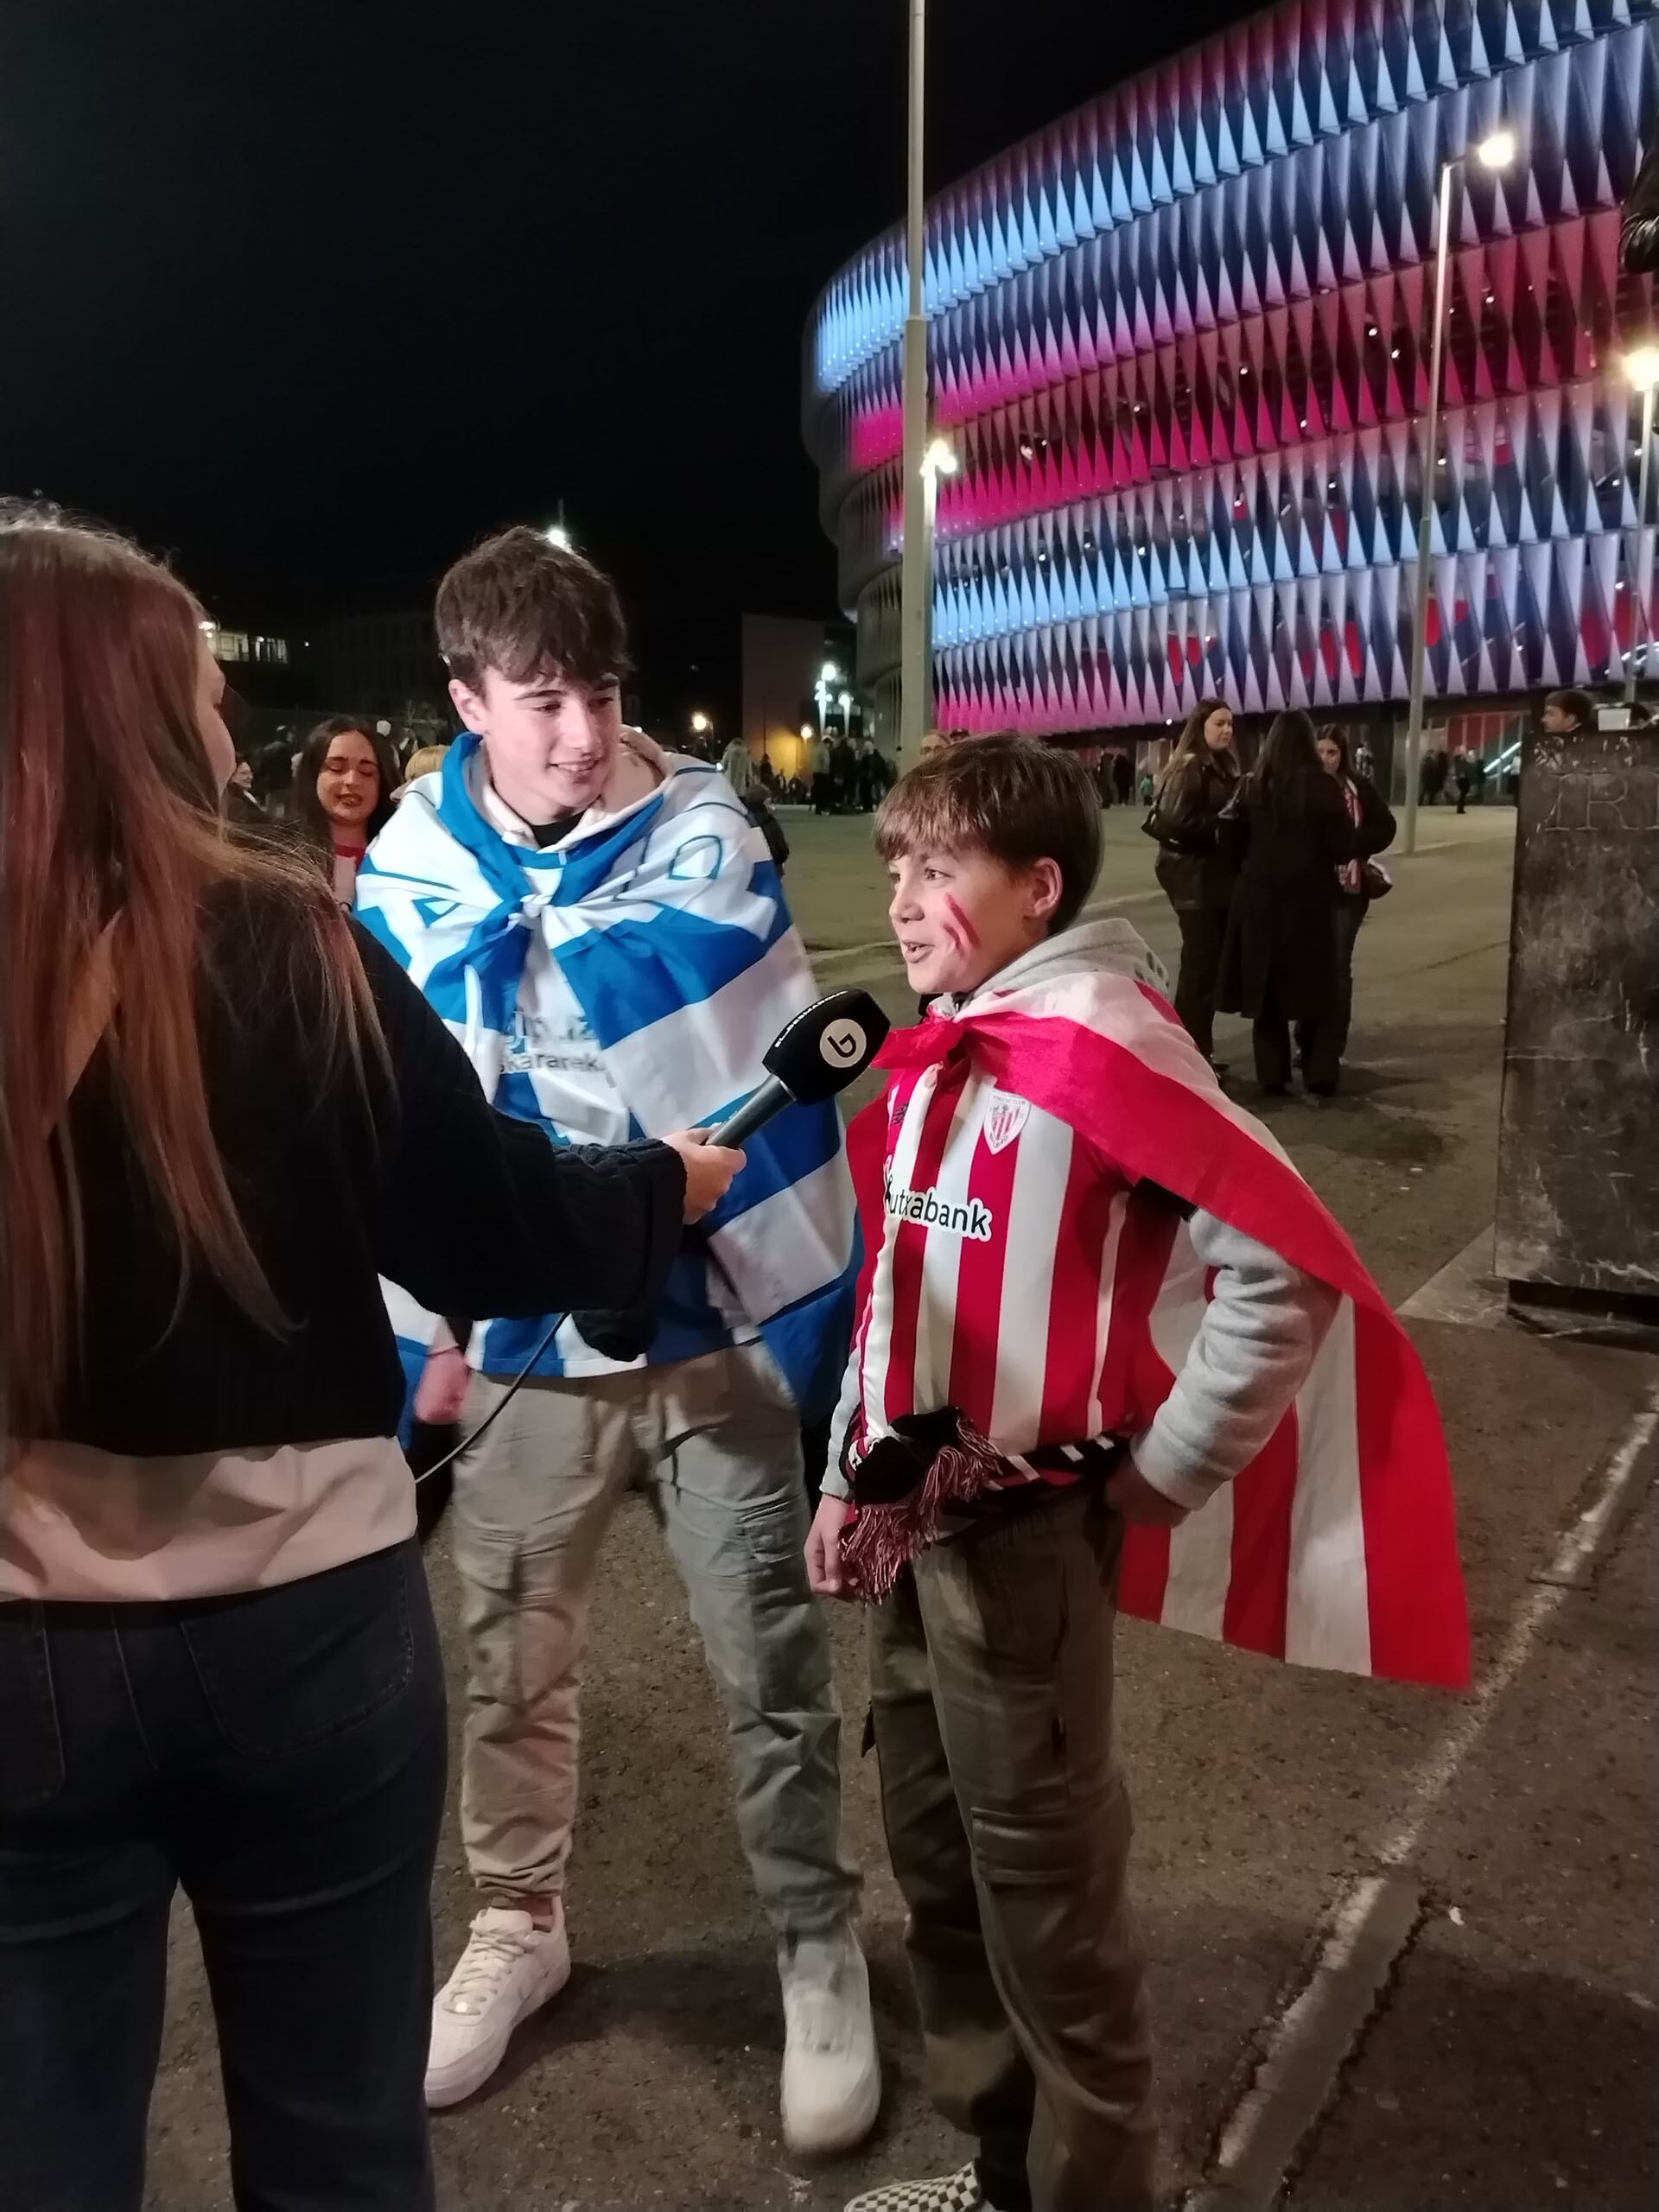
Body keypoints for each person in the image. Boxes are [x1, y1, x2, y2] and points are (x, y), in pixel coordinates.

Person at [0, 510, 741, 2212]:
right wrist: (664, 1186)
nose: (220, 723)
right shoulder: (284, 940)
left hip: (25, 1646)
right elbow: (488, 1224)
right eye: (190, 685)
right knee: (339, 2143)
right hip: (302, 1628)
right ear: (125, 712)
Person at [804, 736, 1468, 2212]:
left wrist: (1160, 1476)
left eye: (939, 869)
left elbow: (1277, 1279)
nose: (904, 900)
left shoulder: (1098, 1042)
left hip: (1029, 1540)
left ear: (1039, 888)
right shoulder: (948, 1036)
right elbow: (897, 1290)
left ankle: (1095, 2194)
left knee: (1047, 1903)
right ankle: (998, 2172)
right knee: (938, 1859)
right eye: (896, 865)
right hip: (922, 1527)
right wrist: (855, 1475)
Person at [353, 526, 877, 2146]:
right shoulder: (407, 872)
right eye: (541, 699)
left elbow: (740, 1030)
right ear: (466, 699)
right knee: (511, 1656)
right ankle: (520, 1925)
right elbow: (393, 1128)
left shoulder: (705, 831)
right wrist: (416, 1320)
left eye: (602, 693)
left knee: (769, 1664)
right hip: (523, 1342)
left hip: (709, 1322)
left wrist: (567, 954)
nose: (583, 733)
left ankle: (815, 1940)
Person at [1217, 709, 1358, 1099]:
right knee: (1318, 985)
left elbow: (1228, 841)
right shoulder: (1324, 787)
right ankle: (1320, 1071)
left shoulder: (1252, 785)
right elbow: (1343, 846)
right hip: (1311, 898)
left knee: (1267, 988)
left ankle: (1272, 1076)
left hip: (1260, 896)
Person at [1142, 696, 1239, 1069]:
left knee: (1207, 967)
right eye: (1219, 724)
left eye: (1230, 724)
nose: (1227, 730)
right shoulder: (1190, 766)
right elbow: (1173, 820)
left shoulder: (1220, 766)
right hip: (1192, 877)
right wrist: (1222, 828)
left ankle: (1198, 1051)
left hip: (1211, 876)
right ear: (1201, 727)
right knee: (1200, 968)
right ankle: (1186, 1056)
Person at [1315, 727, 1396, 1088]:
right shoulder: (1304, 787)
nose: (1325, 759)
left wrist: (1354, 846)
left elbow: (1386, 826)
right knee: (1310, 966)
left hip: (1348, 890)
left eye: (1331, 752)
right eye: (1319, 752)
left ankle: (1330, 1045)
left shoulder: (1357, 788)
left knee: (1336, 967)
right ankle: (1308, 1040)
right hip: (1311, 889)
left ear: (1343, 755)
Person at [294, 714, 399, 901]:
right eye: (336, 768)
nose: (352, 781)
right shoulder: (282, 857)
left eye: (367, 772)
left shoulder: (406, 858)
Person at [1452, 747, 1472, 815]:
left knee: (1463, 793)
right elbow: (1461, 768)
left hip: (1464, 777)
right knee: (1463, 793)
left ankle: (1461, 808)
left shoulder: (1461, 759)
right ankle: (1460, 808)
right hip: (1462, 778)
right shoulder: (1459, 759)